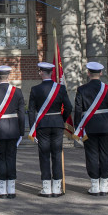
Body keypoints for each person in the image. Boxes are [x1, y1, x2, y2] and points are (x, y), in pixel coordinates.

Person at [74, 62, 108, 196]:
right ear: (100, 73)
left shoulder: (81, 90)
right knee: (106, 155)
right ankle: (104, 184)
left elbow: (77, 111)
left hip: (89, 127)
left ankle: (94, 185)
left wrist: (78, 128)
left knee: (92, 155)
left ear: (88, 73)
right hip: (107, 126)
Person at [28, 62, 73, 197]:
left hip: (42, 125)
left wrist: (32, 129)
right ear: (52, 73)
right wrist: (62, 119)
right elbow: (69, 107)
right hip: (57, 123)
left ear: (42, 72)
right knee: (57, 154)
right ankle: (57, 187)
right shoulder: (61, 88)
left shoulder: (35, 89)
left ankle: (46, 188)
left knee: (44, 155)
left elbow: (31, 111)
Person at [0, 65, 26, 199]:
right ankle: (12, 189)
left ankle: (2, 190)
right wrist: (21, 132)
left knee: (1, 159)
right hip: (13, 129)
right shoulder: (18, 92)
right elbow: (22, 114)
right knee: (12, 158)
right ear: (8, 76)